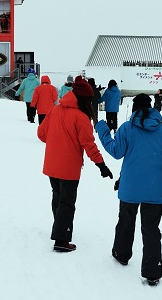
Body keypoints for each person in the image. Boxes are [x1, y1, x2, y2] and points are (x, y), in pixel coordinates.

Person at [95, 93, 162, 286]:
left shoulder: (127, 128)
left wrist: (102, 129)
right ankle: (152, 272)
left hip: (130, 187)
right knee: (151, 229)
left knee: (126, 221)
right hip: (153, 190)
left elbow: (116, 152)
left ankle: (121, 254)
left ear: (134, 108)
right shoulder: (161, 130)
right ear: (151, 107)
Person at [37, 77, 113, 252]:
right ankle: (61, 239)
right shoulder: (81, 117)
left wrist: (57, 140)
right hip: (69, 167)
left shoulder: (55, 111)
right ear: (84, 99)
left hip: (51, 164)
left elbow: (41, 134)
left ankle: (59, 228)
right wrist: (101, 165)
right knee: (67, 202)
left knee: (57, 198)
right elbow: (89, 145)